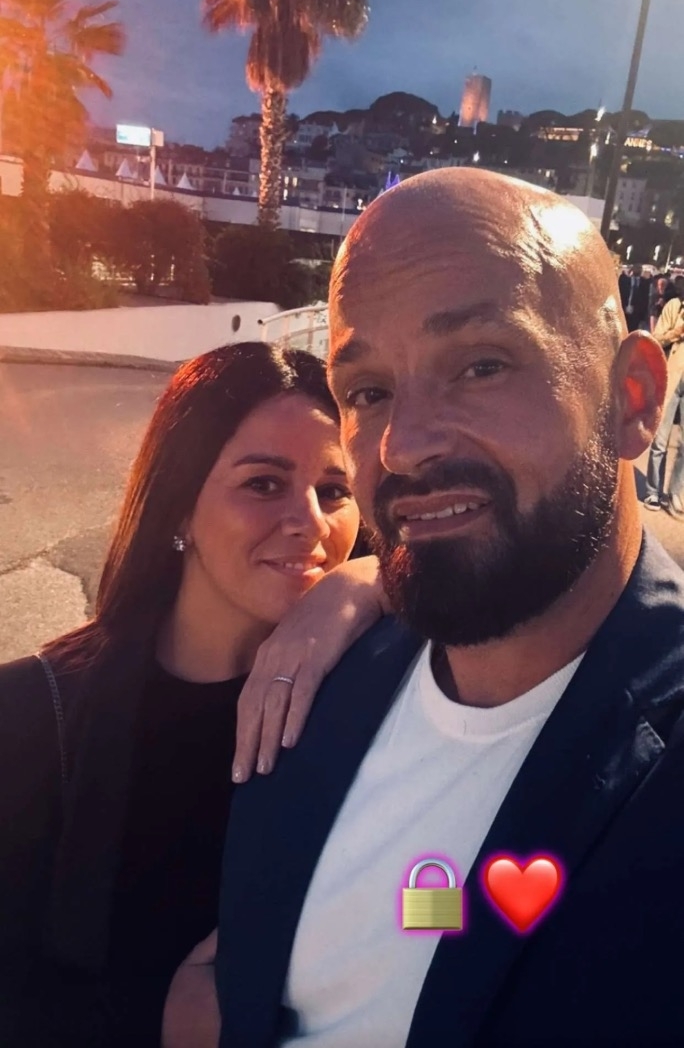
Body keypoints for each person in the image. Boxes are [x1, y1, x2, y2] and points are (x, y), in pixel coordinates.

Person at [166, 168, 684, 1048]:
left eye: (481, 365)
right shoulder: (319, 682)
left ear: (631, 398)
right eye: (368, 392)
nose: (403, 446)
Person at [0, 342, 393, 1047]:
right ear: (178, 508)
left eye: (335, 490)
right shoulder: (33, 716)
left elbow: (432, 913)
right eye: (264, 484)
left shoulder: (377, 696)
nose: (310, 521)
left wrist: (371, 580)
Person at [643, 276, 684, 515]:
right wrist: (676, 332)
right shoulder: (674, 306)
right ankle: (653, 491)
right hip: (672, 378)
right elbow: (657, 337)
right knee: (660, 440)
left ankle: (675, 494)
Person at [618, 263, 650, 332]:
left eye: (640, 269)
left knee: (632, 330)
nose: (638, 270)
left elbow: (645, 299)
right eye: (636, 268)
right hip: (624, 308)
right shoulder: (625, 280)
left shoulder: (644, 282)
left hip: (636, 312)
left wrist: (643, 316)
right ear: (633, 269)